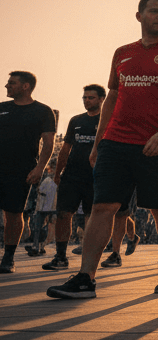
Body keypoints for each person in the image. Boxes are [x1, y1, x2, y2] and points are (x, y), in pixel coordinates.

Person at [48, 0, 158, 299]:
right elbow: (113, 98)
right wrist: (100, 141)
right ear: (139, 15)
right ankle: (86, 277)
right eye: (154, 11)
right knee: (103, 206)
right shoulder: (123, 53)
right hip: (116, 143)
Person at [0, 70, 56, 273]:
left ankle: (8, 257)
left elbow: (49, 143)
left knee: (13, 214)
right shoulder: (2, 108)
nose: (7, 86)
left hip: (21, 170)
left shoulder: (42, 111)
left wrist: (39, 168)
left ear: (26, 86)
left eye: (11, 83)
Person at [46, 85, 103, 271]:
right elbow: (65, 148)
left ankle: (88, 260)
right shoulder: (76, 120)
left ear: (102, 99)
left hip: (95, 176)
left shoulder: (108, 121)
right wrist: (57, 173)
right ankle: (60, 256)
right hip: (71, 175)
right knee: (63, 214)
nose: (87, 101)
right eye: (85, 97)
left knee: (91, 217)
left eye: (91, 98)